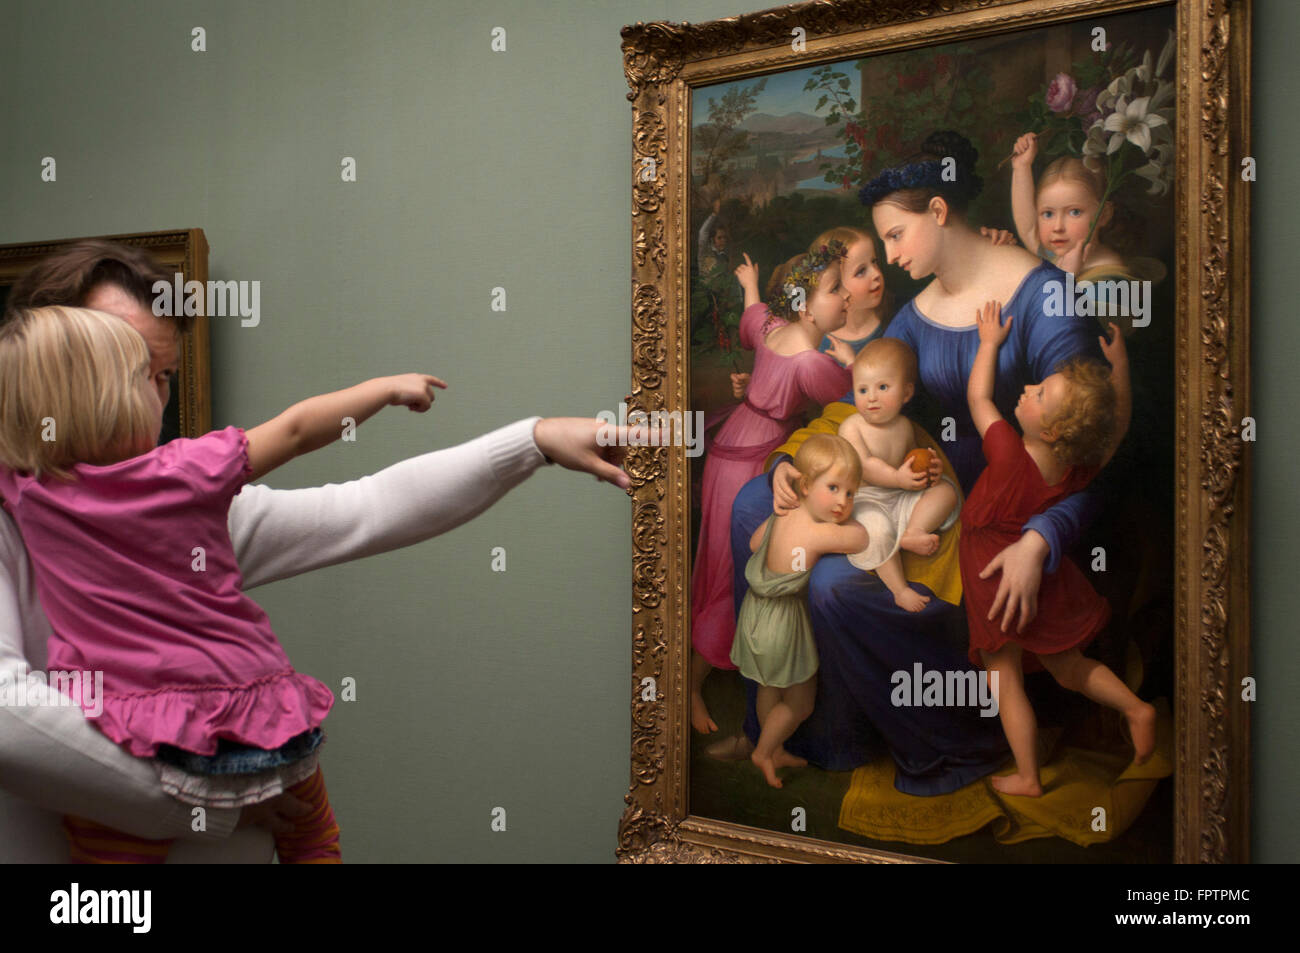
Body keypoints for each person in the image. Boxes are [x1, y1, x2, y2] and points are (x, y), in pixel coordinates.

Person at [0, 240, 637, 862]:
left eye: (159, 374)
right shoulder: (15, 509)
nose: (147, 400)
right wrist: (210, 806)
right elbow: (10, 719)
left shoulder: (176, 511)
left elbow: (366, 508)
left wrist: (535, 440)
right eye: (119, 366)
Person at [726, 130, 1110, 794]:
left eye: (897, 236)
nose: (892, 256)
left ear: (938, 211)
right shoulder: (917, 313)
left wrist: (1041, 540)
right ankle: (814, 728)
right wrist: (789, 461)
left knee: (833, 585)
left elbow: (1092, 455)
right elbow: (857, 406)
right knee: (751, 506)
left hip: (991, 520)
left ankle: (952, 741)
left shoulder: (1041, 296)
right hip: (906, 485)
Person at [964, 301, 1154, 797]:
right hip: (1044, 576)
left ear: (1048, 430)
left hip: (992, 572)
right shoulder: (1075, 467)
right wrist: (1121, 369)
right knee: (1068, 667)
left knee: (1003, 677)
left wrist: (988, 343)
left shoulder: (1008, 453)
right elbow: (1116, 431)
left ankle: (1029, 776)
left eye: (1039, 393)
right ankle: (1137, 708)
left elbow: (978, 397)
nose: (1026, 389)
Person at [689, 244, 854, 735]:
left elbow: (751, 319)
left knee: (720, 564)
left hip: (726, 452)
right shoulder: (811, 363)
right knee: (732, 576)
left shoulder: (770, 328)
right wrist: (850, 359)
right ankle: (695, 686)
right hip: (755, 461)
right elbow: (854, 401)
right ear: (805, 306)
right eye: (835, 289)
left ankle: (708, 685)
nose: (845, 297)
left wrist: (750, 286)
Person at [732, 435, 867, 788]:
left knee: (768, 688)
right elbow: (861, 539)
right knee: (800, 703)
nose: (842, 502)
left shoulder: (785, 513)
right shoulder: (819, 533)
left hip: (755, 615)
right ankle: (764, 751)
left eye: (851, 493)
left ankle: (774, 750)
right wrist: (851, 522)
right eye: (834, 488)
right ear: (804, 485)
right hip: (783, 625)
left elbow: (753, 543)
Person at [838, 338, 959, 611]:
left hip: (900, 495)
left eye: (882, 387)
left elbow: (911, 461)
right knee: (877, 530)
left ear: (906, 393)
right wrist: (897, 478)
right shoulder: (851, 427)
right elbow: (865, 465)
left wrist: (929, 472)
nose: (871, 397)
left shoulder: (904, 426)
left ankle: (912, 532)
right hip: (865, 501)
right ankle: (899, 589)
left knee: (946, 491)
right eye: (862, 389)